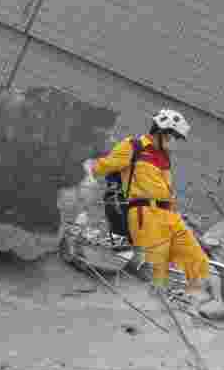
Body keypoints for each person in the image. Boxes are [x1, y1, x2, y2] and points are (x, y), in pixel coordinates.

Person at [90, 109, 211, 302]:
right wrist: (77, 172)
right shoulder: (134, 146)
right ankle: (155, 308)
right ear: (162, 132)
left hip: (168, 214)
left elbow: (165, 190)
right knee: (158, 268)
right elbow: (103, 165)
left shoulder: (165, 158)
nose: (175, 142)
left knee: (198, 260)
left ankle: (198, 303)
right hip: (143, 212)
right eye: (175, 137)